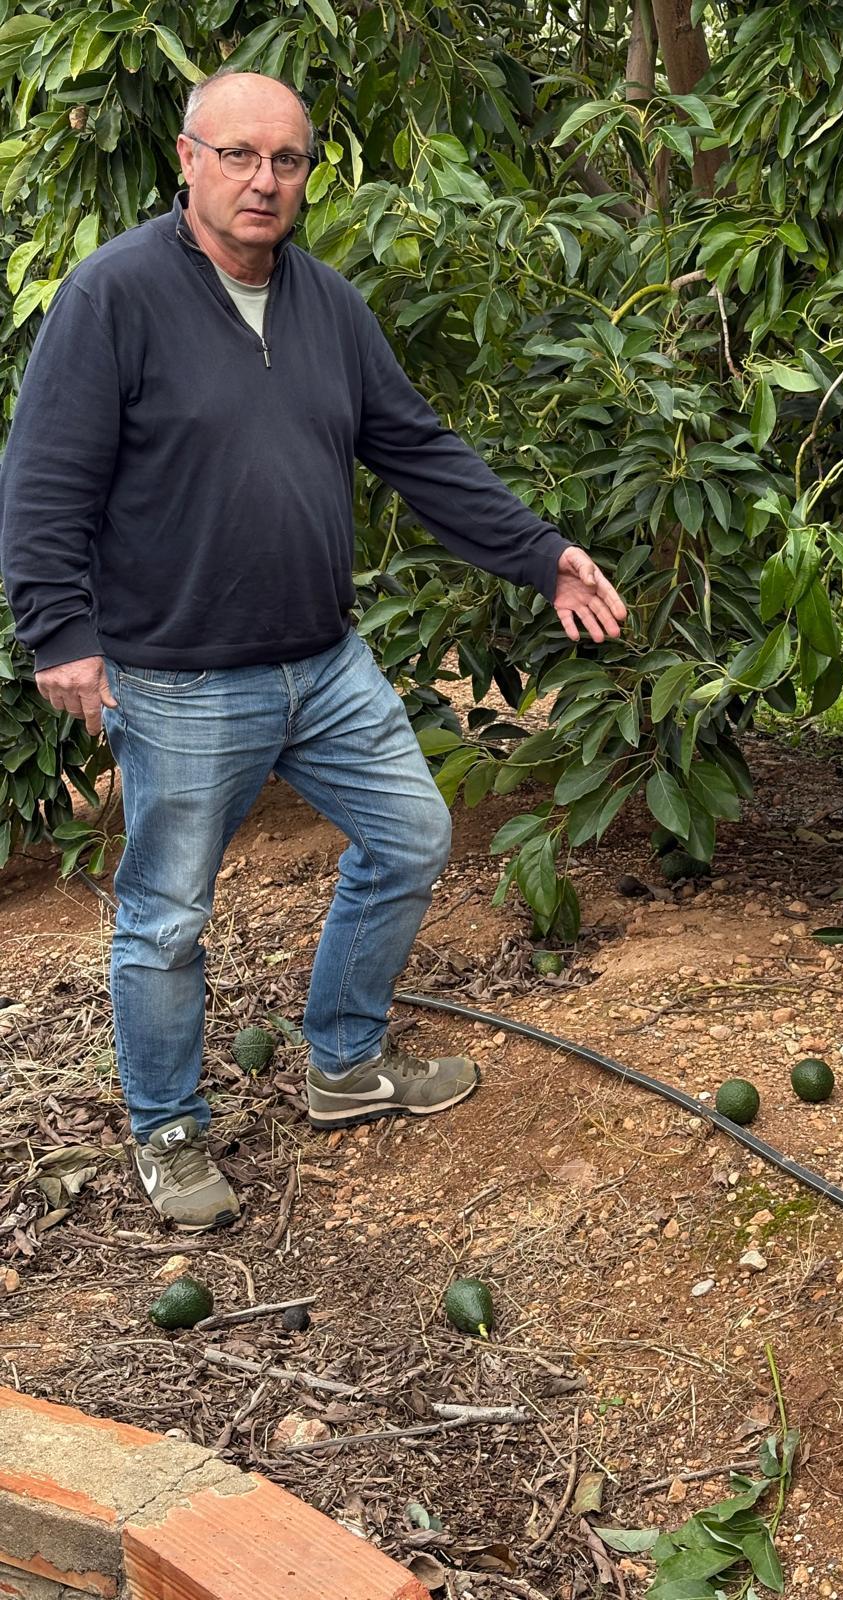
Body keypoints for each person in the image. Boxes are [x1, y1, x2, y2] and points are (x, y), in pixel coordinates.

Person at [0, 72, 626, 1234]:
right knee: (168, 914)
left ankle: (342, 1062)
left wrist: (542, 555)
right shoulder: (116, 296)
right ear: (186, 160)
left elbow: (416, 449)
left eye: (285, 161)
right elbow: (42, 473)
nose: (262, 180)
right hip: (181, 677)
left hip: (323, 663)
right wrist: (60, 630)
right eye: (238, 155)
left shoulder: (328, 304)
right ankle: (169, 1128)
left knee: (411, 835)